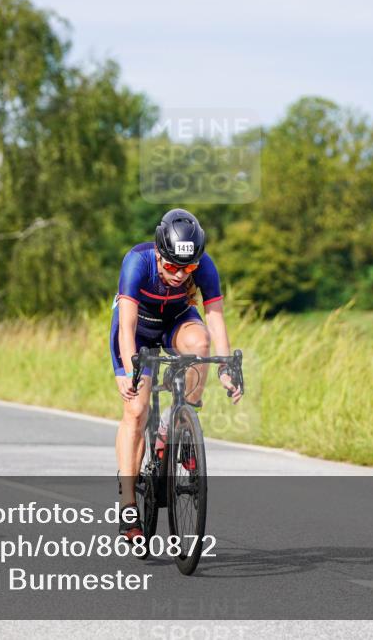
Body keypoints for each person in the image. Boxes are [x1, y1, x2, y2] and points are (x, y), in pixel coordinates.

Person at [110, 208, 242, 541]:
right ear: (159, 253)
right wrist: (129, 370)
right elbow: (126, 327)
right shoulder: (137, 262)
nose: (181, 275)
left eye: (189, 268)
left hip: (176, 322)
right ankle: (128, 504)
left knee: (200, 343)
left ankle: (178, 420)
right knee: (136, 410)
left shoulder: (204, 264)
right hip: (138, 332)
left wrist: (225, 367)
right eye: (172, 267)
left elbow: (215, 318)